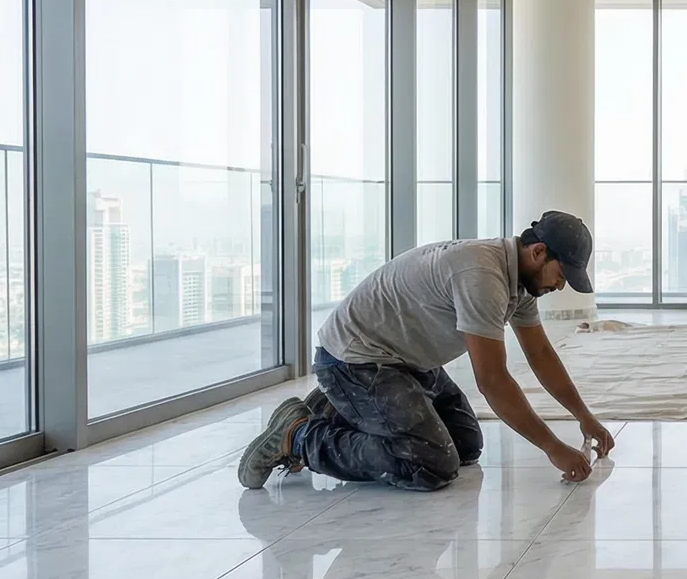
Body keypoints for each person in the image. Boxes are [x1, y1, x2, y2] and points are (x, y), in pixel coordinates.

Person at [238, 210, 615, 491]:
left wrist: (584, 416)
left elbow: (541, 356)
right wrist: (552, 447)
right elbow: (493, 381)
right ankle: (298, 435)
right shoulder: (482, 276)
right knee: (430, 465)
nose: (561, 287)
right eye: (561, 276)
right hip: (357, 361)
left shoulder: (520, 282)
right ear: (537, 252)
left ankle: (335, 405)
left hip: (407, 361)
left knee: (466, 446)